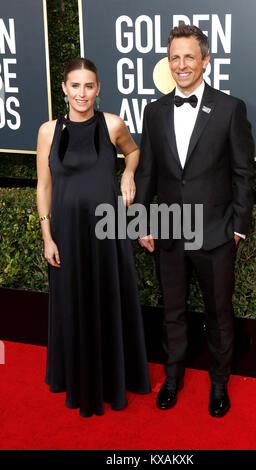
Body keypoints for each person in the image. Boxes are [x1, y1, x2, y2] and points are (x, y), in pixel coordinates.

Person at [135, 25, 254, 417]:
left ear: (205, 60)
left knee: (219, 313)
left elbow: (242, 173)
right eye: (174, 57)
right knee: (173, 310)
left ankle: (219, 384)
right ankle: (173, 378)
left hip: (216, 233)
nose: (181, 64)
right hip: (169, 230)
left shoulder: (230, 108)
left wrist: (237, 227)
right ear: (167, 63)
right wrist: (143, 221)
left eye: (189, 57)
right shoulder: (154, 112)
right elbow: (147, 173)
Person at [36, 57, 151, 417]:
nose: (82, 93)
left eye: (89, 86)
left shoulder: (113, 124)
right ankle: (77, 376)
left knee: (109, 298)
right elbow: (43, 185)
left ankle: (115, 376)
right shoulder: (48, 131)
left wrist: (128, 174)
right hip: (67, 233)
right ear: (65, 89)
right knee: (74, 300)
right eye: (75, 86)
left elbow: (134, 152)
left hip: (108, 231)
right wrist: (47, 236)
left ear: (98, 89)